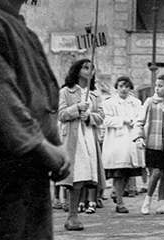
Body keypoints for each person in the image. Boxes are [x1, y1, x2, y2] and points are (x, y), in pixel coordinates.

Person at [0, 0, 71, 239]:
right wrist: (44, 149)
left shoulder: (18, 27)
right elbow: (2, 99)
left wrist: (50, 150)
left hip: (27, 173)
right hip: (2, 174)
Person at [57, 58, 106, 230]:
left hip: (88, 137)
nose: (89, 70)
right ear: (77, 71)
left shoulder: (95, 94)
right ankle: (72, 215)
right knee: (75, 175)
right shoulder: (66, 92)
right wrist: (77, 108)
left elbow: (101, 116)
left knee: (86, 175)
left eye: (92, 68)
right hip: (73, 138)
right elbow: (61, 114)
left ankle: (77, 212)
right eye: (86, 67)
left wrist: (89, 117)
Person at [136, 73, 164, 215]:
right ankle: (147, 201)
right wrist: (139, 137)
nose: (157, 88)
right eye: (156, 85)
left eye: (161, 86)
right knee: (156, 173)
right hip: (152, 144)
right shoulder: (150, 101)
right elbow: (139, 121)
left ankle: (161, 203)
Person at [102, 75, 143, 213]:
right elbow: (106, 120)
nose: (124, 89)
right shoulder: (109, 103)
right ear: (117, 87)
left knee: (128, 172)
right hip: (117, 141)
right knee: (119, 172)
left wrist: (136, 124)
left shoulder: (136, 103)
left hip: (131, 139)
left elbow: (141, 118)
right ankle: (119, 202)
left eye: (126, 86)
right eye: (121, 86)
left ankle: (116, 192)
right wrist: (123, 120)